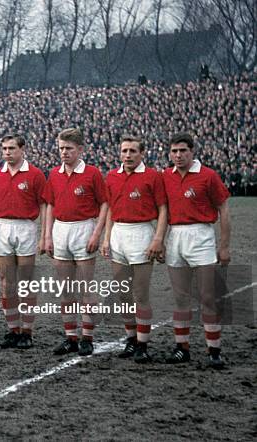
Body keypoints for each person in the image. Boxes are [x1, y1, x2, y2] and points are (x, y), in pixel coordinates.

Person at [162, 132, 230, 368]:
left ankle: (214, 349)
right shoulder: (165, 177)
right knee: (180, 297)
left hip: (201, 235)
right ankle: (182, 347)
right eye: (174, 151)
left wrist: (224, 246)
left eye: (183, 151)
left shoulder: (208, 175)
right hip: (175, 236)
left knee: (207, 297)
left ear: (192, 152)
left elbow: (223, 208)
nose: (178, 155)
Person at [101, 135, 167, 363]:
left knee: (140, 293)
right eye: (124, 151)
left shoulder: (152, 176)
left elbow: (162, 209)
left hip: (142, 233)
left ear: (142, 153)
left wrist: (158, 239)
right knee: (123, 293)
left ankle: (143, 343)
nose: (127, 155)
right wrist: (107, 238)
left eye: (132, 151)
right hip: (119, 233)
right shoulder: (111, 176)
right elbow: (110, 208)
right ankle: (130, 339)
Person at [42, 127, 108, 356]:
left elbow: (104, 205)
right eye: (61, 148)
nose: (64, 152)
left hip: (84, 228)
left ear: (80, 149)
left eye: (69, 148)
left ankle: (87, 337)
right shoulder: (54, 174)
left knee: (86, 286)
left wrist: (96, 233)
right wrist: (48, 235)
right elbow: (50, 205)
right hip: (61, 229)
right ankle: (71, 336)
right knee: (65, 288)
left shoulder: (92, 173)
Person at [0, 134, 46, 349]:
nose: (7, 152)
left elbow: (44, 205)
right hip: (2, 226)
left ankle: (27, 331)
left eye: (11, 148)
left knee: (26, 282)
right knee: (6, 282)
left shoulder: (35, 174)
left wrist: (43, 235)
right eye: (4, 148)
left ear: (22, 150)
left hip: (26, 227)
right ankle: (13, 329)